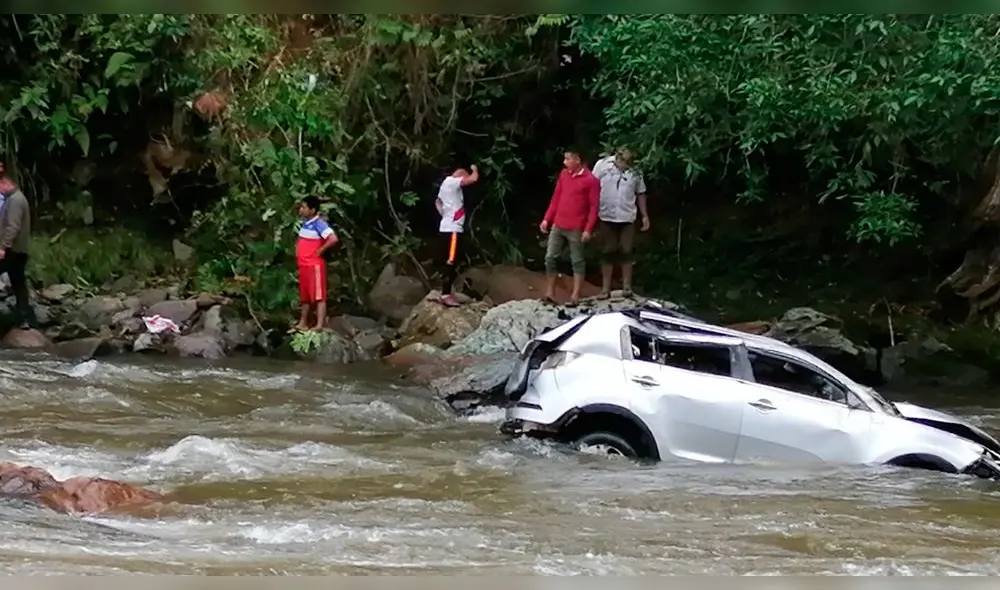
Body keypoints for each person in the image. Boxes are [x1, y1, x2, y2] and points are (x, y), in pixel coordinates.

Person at [540, 150, 600, 306]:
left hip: (576, 226)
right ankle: (549, 292)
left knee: (577, 260)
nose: (565, 162)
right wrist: (547, 219)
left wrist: (588, 229)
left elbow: (594, 207)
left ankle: (575, 295)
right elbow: (556, 197)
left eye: (568, 159)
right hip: (559, 223)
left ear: (577, 160)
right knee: (550, 257)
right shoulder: (564, 174)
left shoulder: (591, 180)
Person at [592, 148, 648, 298]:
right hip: (606, 215)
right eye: (624, 164)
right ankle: (605, 289)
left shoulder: (636, 170)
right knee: (607, 250)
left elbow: (640, 192)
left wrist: (644, 216)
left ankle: (627, 287)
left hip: (627, 216)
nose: (626, 167)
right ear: (617, 159)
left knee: (626, 250)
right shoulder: (602, 165)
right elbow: (592, 187)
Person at [434, 164, 479, 307]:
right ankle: (446, 294)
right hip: (453, 229)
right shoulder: (453, 182)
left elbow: (437, 202)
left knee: (452, 259)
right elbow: (473, 179)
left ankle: (446, 290)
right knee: (451, 260)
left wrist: (445, 215)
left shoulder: (444, 186)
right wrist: (474, 169)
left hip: (446, 226)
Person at [294, 196, 338, 331]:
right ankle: (303, 322)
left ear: (312, 210)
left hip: (314, 265)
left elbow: (333, 238)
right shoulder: (305, 223)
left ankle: (319, 325)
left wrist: (321, 250)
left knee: (319, 296)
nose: (301, 210)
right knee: (305, 296)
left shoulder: (319, 223)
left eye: (304, 207)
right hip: (304, 265)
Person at [0, 160, 34, 329]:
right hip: (20, 250)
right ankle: (24, 318)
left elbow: (12, 227)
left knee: (19, 283)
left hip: (12, 250)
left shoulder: (14, 201)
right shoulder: (18, 198)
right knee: (19, 283)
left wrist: (2, 247)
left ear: (7, 184)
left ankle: (24, 317)